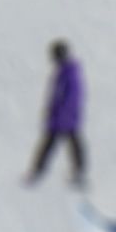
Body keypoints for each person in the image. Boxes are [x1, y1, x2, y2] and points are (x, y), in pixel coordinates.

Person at [26, 40, 86, 188]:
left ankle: (39, 172)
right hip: (61, 117)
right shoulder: (64, 72)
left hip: (64, 117)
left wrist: (62, 116)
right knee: (67, 143)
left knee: (58, 143)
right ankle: (40, 171)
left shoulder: (69, 74)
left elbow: (71, 97)